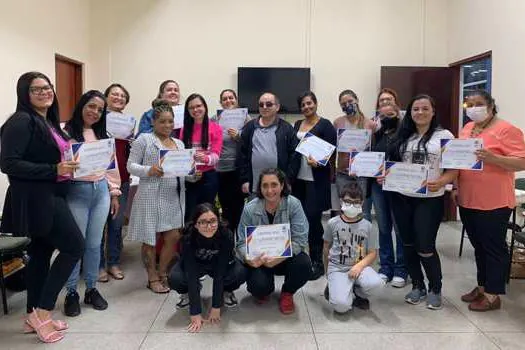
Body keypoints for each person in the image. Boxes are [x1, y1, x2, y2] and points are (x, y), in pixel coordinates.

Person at [0, 71, 84, 343]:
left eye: (47, 88)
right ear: (25, 94)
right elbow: (8, 164)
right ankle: (43, 313)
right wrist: (53, 168)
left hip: (51, 194)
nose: (45, 92)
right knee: (74, 246)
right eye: (37, 89)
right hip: (39, 198)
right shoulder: (21, 121)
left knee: (40, 254)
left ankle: (30, 316)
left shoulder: (46, 121)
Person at [455, 90, 525, 311]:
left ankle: (493, 295)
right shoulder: (468, 128)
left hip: (494, 201)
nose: (474, 108)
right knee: (478, 246)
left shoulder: (506, 130)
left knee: (494, 247)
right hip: (468, 197)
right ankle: (483, 286)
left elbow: (522, 162)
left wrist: (495, 158)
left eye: (479, 103)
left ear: (491, 105)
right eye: (470, 105)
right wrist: (455, 186)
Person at [386, 94, 458, 310]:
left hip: (429, 199)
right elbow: (394, 165)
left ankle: (436, 288)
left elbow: (454, 168)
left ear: (433, 111)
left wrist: (443, 181)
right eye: (415, 109)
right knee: (407, 244)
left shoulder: (444, 136)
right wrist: (386, 176)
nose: (420, 113)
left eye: (425, 108)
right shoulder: (403, 134)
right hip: (402, 197)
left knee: (425, 245)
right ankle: (418, 285)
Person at [62, 90, 121, 317]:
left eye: (99, 109)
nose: (95, 112)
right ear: (81, 105)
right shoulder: (65, 131)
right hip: (77, 191)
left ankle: (91, 288)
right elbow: (59, 166)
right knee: (76, 244)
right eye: (91, 106)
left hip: (101, 192)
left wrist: (114, 193)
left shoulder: (103, 134)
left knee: (94, 244)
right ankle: (71, 292)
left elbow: (110, 167)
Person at [127, 99, 185, 293]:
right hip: (149, 195)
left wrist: (193, 174)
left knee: (173, 235)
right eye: (163, 121)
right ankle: (152, 278)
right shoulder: (144, 139)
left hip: (171, 196)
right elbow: (130, 165)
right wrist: (148, 170)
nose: (167, 125)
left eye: (170, 121)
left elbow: (182, 169)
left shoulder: (178, 143)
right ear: (153, 121)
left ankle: (163, 272)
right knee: (150, 239)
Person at [237, 168, 311, 314]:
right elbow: (240, 242)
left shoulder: (293, 204)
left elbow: (300, 239)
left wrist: (279, 258)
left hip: (286, 257)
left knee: (304, 264)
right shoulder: (250, 209)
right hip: (260, 260)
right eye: (265, 185)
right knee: (258, 287)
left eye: (274, 185)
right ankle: (264, 291)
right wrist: (250, 259)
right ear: (260, 187)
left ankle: (287, 293)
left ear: (282, 185)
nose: (269, 190)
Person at [168, 203, 247, 333]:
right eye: (203, 222)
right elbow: (191, 272)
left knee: (240, 272)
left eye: (212, 221)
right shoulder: (187, 238)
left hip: (217, 266)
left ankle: (226, 291)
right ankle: (188, 293)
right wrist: (195, 313)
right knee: (175, 278)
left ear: (218, 220)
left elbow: (220, 271)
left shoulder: (226, 235)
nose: (209, 226)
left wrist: (216, 306)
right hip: (195, 266)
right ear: (195, 224)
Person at [292, 91, 337, 280]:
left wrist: (320, 163)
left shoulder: (326, 125)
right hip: (298, 180)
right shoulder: (296, 124)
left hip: (316, 181)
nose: (306, 107)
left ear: (316, 104)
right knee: (298, 219)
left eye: (309, 103)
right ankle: (299, 258)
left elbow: (331, 152)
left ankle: (317, 261)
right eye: (303, 105)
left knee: (313, 220)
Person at [323, 183, 385, 313]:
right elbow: (326, 248)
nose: (352, 206)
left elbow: (373, 253)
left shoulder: (368, 226)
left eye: (356, 202)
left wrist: (359, 266)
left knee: (377, 285)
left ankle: (358, 292)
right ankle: (336, 287)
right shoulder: (332, 223)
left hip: (359, 266)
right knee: (341, 307)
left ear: (362, 203)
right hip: (337, 268)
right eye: (348, 202)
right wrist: (327, 272)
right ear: (341, 202)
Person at [371, 101, 408, 288]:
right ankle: (386, 268)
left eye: (390, 115)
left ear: (398, 114)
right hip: (378, 187)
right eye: (383, 116)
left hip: (398, 187)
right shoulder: (377, 135)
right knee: (384, 228)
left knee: (400, 229)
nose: (387, 119)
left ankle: (401, 269)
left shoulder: (406, 135)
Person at [99, 83, 133, 282]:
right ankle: (98, 266)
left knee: (116, 223)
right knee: (99, 225)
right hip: (100, 178)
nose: (119, 98)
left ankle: (113, 262)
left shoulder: (128, 123)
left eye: (122, 96)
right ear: (106, 97)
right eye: (114, 94)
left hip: (123, 178)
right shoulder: (98, 119)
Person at [238, 92, 299, 196]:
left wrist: (288, 180)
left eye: (269, 104)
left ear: (277, 107)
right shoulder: (249, 127)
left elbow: (295, 157)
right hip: (254, 186)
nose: (264, 107)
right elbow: (241, 155)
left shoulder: (286, 128)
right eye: (261, 105)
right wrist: (245, 180)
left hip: (279, 186)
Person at [333, 89, 377, 220]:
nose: (347, 105)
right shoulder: (337, 123)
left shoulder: (370, 124)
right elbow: (333, 148)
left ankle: (361, 239)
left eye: (350, 101)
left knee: (361, 210)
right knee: (344, 209)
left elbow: (374, 150)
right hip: (342, 173)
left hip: (362, 174)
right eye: (343, 103)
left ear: (357, 100)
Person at [211, 89, 251, 231]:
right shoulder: (215, 119)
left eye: (231, 98)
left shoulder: (246, 117)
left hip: (239, 170)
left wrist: (239, 135)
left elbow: (252, 140)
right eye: (225, 99)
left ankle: (239, 245)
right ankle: (228, 245)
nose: (228, 101)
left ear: (236, 99)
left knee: (239, 208)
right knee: (225, 209)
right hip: (221, 169)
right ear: (221, 102)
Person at [181, 93, 223, 221]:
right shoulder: (184, 129)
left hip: (209, 177)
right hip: (190, 177)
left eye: (198, 106)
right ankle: (190, 240)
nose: (195, 110)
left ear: (205, 107)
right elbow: (182, 155)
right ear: (188, 111)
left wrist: (204, 159)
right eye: (191, 108)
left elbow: (216, 155)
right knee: (190, 214)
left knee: (207, 213)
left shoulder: (215, 128)